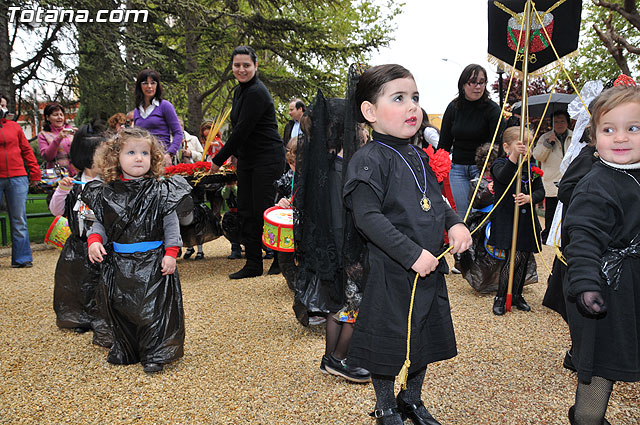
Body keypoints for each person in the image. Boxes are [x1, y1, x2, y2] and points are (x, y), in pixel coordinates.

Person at [343, 64, 471, 425]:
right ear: (370, 112)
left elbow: (437, 201)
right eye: (398, 98)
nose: (412, 106)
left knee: (423, 336)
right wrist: (411, 253)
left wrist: (456, 224)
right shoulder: (368, 159)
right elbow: (367, 218)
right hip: (391, 269)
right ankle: (385, 406)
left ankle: (411, 399)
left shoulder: (418, 156)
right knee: (390, 340)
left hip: (429, 268)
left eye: (415, 97)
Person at [83, 127, 191, 374]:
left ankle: (155, 352)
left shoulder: (160, 190)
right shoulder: (106, 193)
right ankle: (128, 347)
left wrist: (171, 253)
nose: (139, 157)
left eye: (144, 152)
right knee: (123, 307)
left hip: (153, 261)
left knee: (153, 310)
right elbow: (99, 222)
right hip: (120, 262)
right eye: (131, 152)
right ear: (115, 158)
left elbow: (170, 223)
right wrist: (94, 241)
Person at [563, 85, 640, 425]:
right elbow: (581, 237)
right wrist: (585, 283)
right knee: (601, 365)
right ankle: (586, 417)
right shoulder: (596, 184)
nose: (621, 138)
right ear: (594, 137)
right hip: (607, 286)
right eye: (609, 129)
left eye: (633, 128)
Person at [209, 46, 286, 279]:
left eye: (246, 65)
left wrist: (218, 159)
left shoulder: (257, 92)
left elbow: (242, 130)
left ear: (255, 66)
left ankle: (281, 260)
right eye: (237, 65)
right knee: (245, 210)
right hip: (249, 159)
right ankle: (253, 263)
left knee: (265, 210)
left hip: (268, 157)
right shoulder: (239, 91)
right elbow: (238, 127)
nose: (241, 69)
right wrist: (235, 154)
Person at [49, 123, 112, 347]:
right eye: (102, 154)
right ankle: (78, 317)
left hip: (104, 244)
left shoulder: (109, 183)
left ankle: (103, 317)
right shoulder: (74, 184)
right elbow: (57, 211)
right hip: (78, 244)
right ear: (87, 156)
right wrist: (62, 190)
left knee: (102, 282)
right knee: (76, 283)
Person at [489, 126, 545, 315]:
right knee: (513, 257)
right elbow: (503, 177)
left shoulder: (532, 169)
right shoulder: (499, 164)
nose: (526, 150)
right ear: (506, 147)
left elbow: (540, 191)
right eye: (522, 145)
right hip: (507, 219)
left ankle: (518, 294)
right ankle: (501, 296)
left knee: (524, 257)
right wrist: (514, 157)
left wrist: (529, 198)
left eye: (530, 146)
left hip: (526, 221)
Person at [439, 64, 504, 218]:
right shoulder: (453, 107)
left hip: (481, 169)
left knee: (479, 213)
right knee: (463, 214)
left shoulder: (492, 109)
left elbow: (499, 143)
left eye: (482, 82)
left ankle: (479, 243)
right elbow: (444, 144)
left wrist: (491, 168)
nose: (477, 87)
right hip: (458, 169)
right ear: (463, 84)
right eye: (472, 82)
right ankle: (466, 243)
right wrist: (437, 168)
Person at [0, 93, 41, 268]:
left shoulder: (14, 127)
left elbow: (26, 151)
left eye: (3, 105)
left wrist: (35, 172)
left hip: (17, 177)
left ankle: (22, 258)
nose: (2, 108)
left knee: (18, 219)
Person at [532, 110, 573, 241]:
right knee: (551, 211)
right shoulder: (545, 137)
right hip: (551, 179)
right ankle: (548, 236)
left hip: (569, 178)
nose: (559, 124)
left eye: (562, 121)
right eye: (556, 122)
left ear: (567, 122)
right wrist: (548, 144)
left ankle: (566, 235)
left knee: (568, 210)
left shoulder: (574, 137)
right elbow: (538, 156)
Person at [132, 69, 183, 166]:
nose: (149, 86)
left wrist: (169, 154)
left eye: (153, 83)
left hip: (161, 158)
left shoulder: (165, 106)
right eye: (145, 83)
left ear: (157, 85)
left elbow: (178, 133)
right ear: (140, 86)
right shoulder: (137, 111)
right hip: (142, 159)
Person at [37, 102, 77, 176]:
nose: (59, 117)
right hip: (57, 176)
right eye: (55, 115)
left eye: (61, 115)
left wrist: (82, 135)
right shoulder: (43, 135)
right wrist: (58, 138)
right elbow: (48, 157)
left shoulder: (72, 131)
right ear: (47, 117)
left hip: (76, 175)